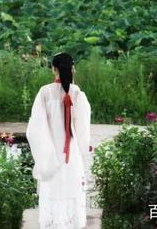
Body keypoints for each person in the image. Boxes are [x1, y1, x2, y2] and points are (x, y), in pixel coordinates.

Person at [26, 52, 92, 229]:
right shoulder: (76, 92)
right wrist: (84, 146)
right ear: (72, 69)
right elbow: (83, 127)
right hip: (71, 155)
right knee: (70, 188)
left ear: (53, 69)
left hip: (51, 153)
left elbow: (35, 129)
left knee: (53, 189)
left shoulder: (45, 92)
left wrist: (43, 153)